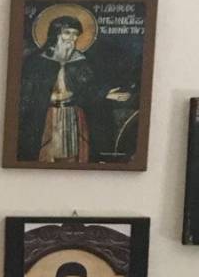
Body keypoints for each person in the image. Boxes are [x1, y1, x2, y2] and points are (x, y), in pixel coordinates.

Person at [17, 12, 132, 164]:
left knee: (74, 156)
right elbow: (27, 95)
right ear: (56, 34)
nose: (72, 38)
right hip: (44, 116)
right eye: (67, 33)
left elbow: (88, 89)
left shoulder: (81, 61)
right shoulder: (37, 62)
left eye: (75, 34)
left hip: (73, 115)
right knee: (45, 155)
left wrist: (105, 93)